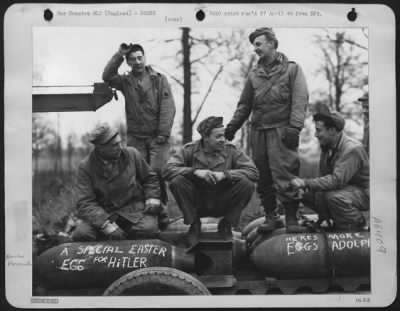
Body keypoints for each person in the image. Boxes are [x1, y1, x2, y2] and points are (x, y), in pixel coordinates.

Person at [224, 28, 309, 233]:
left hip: (282, 130)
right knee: (262, 176)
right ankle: (272, 216)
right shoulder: (254, 74)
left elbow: (300, 99)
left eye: (259, 44)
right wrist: (233, 126)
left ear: (272, 44)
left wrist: (295, 127)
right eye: (254, 45)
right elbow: (244, 105)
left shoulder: (292, 69)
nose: (255, 49)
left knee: (285, 174)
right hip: (259, 131)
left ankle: (292, 219)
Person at [102, 43, 176, 228]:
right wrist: (119, 54)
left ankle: (163, 213)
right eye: (132, 59)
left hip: (157, 137)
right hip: (136, 138)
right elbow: (107, 76)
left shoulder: (159, 80)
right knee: (138, 175)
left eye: (140, 58)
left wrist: (163, 133)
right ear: (128, 62)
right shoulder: (125, 82)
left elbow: (168, 107)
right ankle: (148, 214)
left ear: (145, 58)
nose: (137, 62)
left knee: (157, 172)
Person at [162, 116, 259, 245]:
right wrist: (194, 172)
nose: (223, 140)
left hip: (222, 201)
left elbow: (253, 172)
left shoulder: (232, 150)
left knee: (247, 184)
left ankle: (226, 225)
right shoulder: (189, 150)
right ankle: (194, 225)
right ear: (205, 137)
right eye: (218, 137)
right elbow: (167, 170)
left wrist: (226, 175)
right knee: (177, 181)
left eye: (223, 136)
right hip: (198, 202)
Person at [72, 123, 161, 241]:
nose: (120, 147)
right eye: (114, 145)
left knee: (148, 230)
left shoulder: (132, 154)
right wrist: (106, 225)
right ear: (100, 148)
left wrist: (152, 198)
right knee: (82, 234)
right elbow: (85, 202)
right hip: (104, 213)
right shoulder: (86, 167)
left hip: (132, 210)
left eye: (120, 142)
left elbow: (150, 178)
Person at [289, 105, 370, 232]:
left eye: (319, 130)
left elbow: (336, 181)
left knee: (334, 197)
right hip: (346, 191)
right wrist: (322, 215)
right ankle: (334, 219)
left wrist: (305, 182)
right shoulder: (327, 148)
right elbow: (323, 182)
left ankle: (356, 224)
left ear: (332, 130)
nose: (316, 135)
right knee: (306, 194)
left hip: (364, 194)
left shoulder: (351, 149)